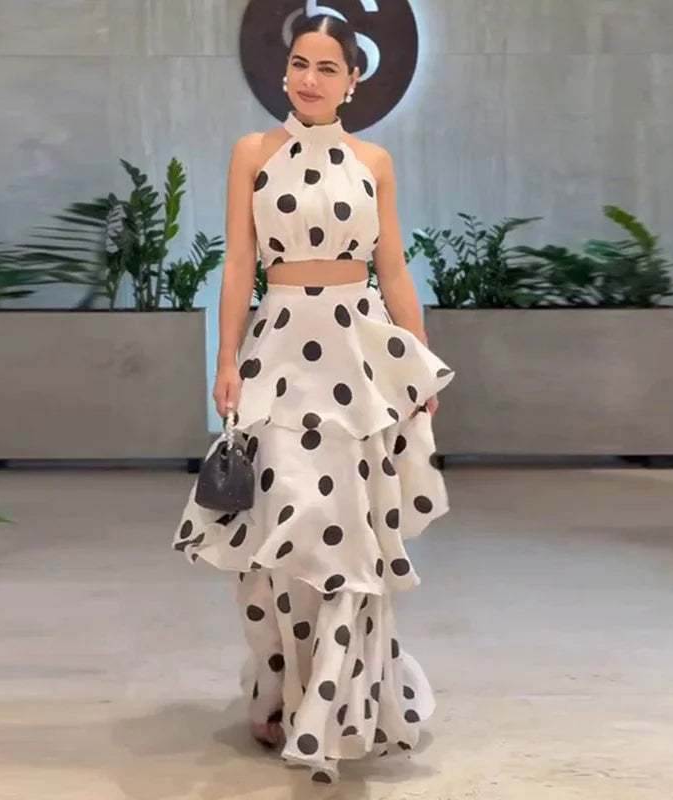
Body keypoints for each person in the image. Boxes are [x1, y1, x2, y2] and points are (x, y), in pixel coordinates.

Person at [173, 14, 454, 785]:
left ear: (353, 81)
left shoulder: (373, 162)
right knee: (274, 533)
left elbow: (393, 268)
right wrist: (225, 359)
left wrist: (419, 367)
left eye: (327, 68)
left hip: (357, 360)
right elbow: (239, 265)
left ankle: (330, 709)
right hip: (279, 357)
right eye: (300, 63)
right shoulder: (253, 153)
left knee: (348, 540)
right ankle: (281, 689)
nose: (309, 79)